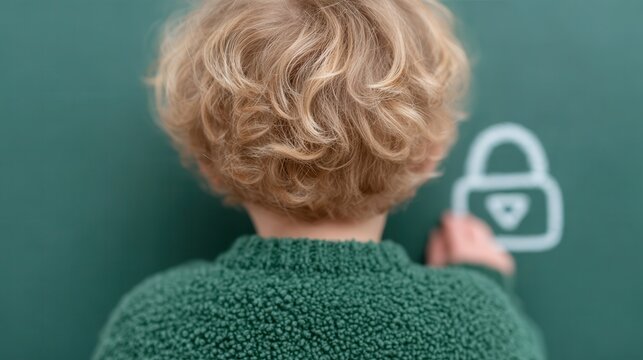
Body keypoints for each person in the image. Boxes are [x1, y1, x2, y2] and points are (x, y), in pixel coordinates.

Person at [92, 0, 545, 358]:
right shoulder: (478, 325)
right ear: (428, 155)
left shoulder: (155, 324)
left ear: (208, 164)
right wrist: (486, 289)